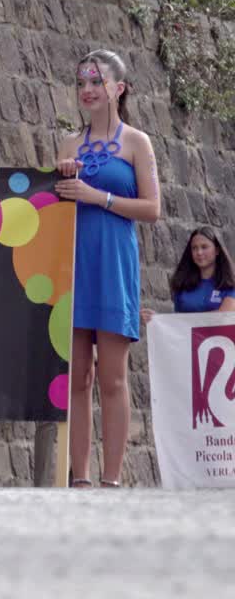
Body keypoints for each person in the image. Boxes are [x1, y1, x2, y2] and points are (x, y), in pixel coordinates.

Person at [55, 49, 161, 489]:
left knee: (114, 378)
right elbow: (52, 202)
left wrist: (98, 197)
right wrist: (58, 178)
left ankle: (112, 478)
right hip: (73, 264)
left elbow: (152, 209)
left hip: (114, 267)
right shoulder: (68, 144)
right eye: (82, 83)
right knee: (77, 376)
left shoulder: (137, 142)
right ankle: (79, 478)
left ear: (118, 88)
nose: (87, 90)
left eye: (96, 82)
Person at [143, 226, 235, 321]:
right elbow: (176, 323)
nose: (199, 252)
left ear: (217, 250)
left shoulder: (230, 284)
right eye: (194, 248)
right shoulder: (182, 284)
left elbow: (224, 316)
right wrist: (157, 319)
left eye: (204, 247)